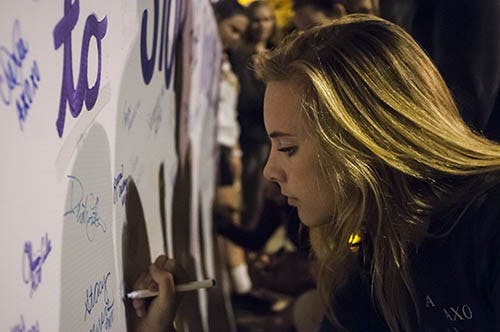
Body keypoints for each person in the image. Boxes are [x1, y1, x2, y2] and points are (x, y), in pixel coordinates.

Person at [133, 15, 500, 331]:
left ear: (363, 139)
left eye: (288, 148)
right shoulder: (375, 254)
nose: (271, 171)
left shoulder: (487, 226)